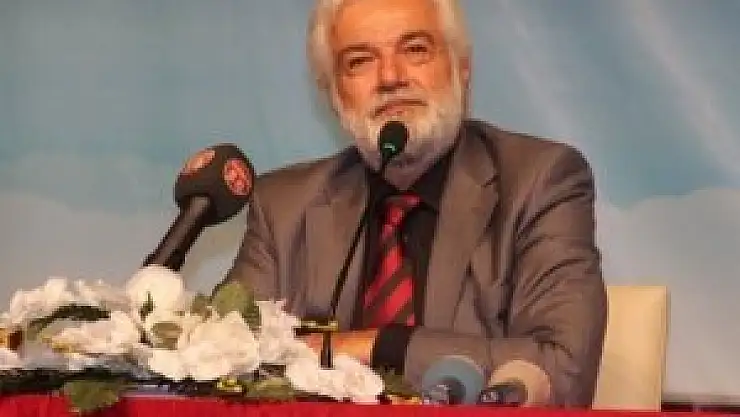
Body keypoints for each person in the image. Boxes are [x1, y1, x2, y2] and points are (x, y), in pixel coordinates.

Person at [222, 0, 607, 407]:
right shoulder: (284, 207)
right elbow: (222, 359)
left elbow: (563, 371)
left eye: (415, 50)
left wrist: (379, 347)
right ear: (333, 94)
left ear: (461, 67)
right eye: (360, 61)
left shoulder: (539, 181)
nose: (390, 77)